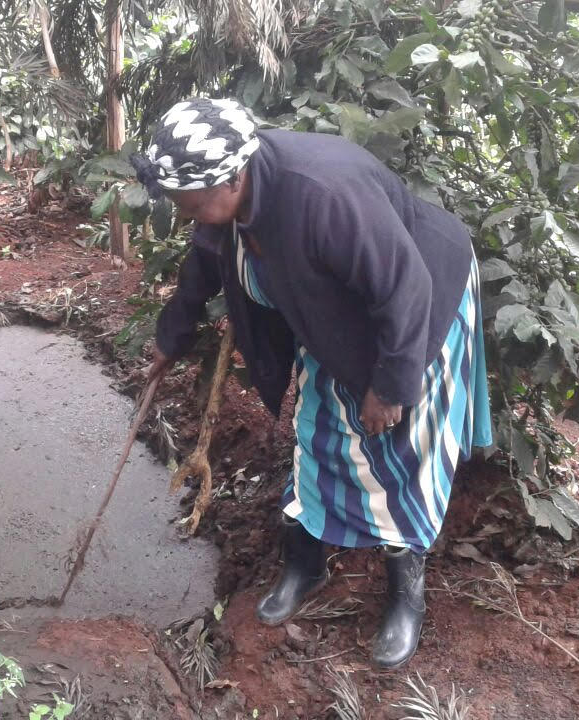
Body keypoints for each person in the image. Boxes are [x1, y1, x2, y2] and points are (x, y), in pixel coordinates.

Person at [131, 97, 493, 669]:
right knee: (320, 429)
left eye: (185, 201)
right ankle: (306, 562)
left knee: (402, 447)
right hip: (331, 312)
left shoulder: (324, 194)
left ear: (229, 181)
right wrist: (170, 337)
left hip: (416, 305)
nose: (180, 212)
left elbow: (407, 289)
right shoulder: (223, 211)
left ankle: (404, 592)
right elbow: (202, 266)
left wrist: (391, 386)